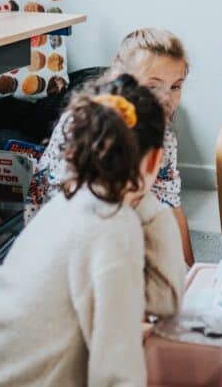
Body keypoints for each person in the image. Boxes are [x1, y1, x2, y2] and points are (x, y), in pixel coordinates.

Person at [0, 74, 186, 386]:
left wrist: (146, 203)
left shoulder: (70, 198)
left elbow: (163, 301)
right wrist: (152, 199)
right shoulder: (113, 227)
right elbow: (116, 369)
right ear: (154, 161)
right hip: (26, 374)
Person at [27, 28, 195, 265]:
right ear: (120, 79)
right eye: (152, 87)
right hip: (71, 217)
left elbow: (170, 199)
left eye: (175, 86)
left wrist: (189, 268)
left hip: (119, 207)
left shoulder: (163, 131)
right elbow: (81, 207)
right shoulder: (91, 122)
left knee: (157, 217)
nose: (167, 98)